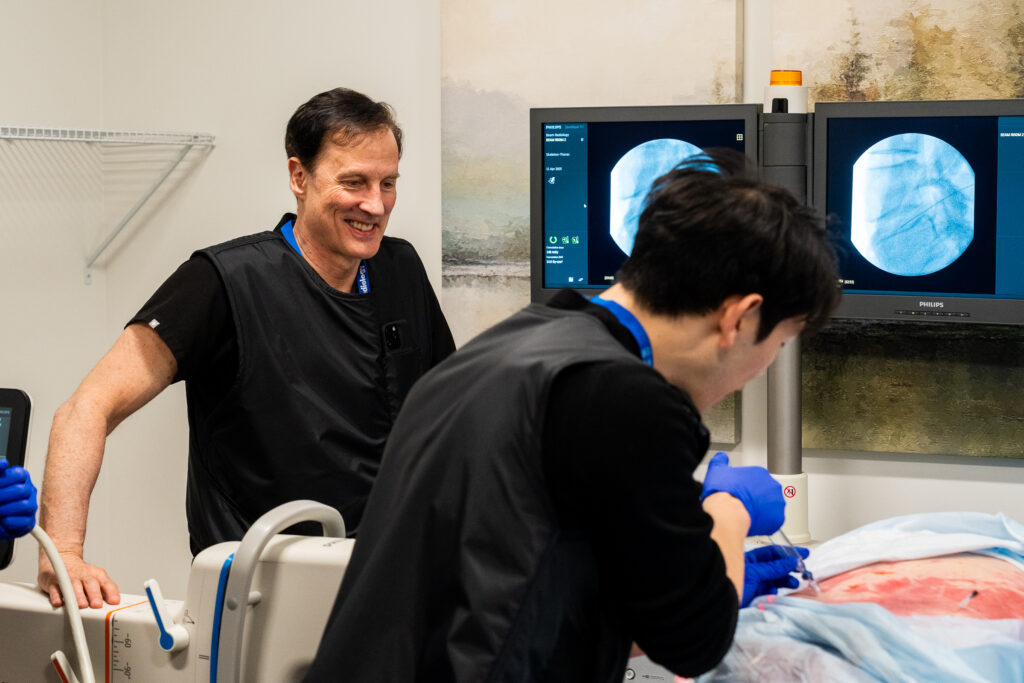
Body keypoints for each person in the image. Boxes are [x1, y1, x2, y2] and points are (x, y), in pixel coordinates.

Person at [303, 150, 840, 682]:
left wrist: (683, 566)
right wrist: (730, 512)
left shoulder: (518, 342)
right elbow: (694, 642)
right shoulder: (626, 397)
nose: (764, 367)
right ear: (740, 318)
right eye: (782, 341)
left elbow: (529, 583)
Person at [36, 87, 455, 609]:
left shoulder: (400, 270)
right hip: (258, 598)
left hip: (382, 586)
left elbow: (451, 420)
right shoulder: (224, 281)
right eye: (354, 182)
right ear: (299, 177)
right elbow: (84, 409)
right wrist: (65, 555)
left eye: (387, 183)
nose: (375, 204)